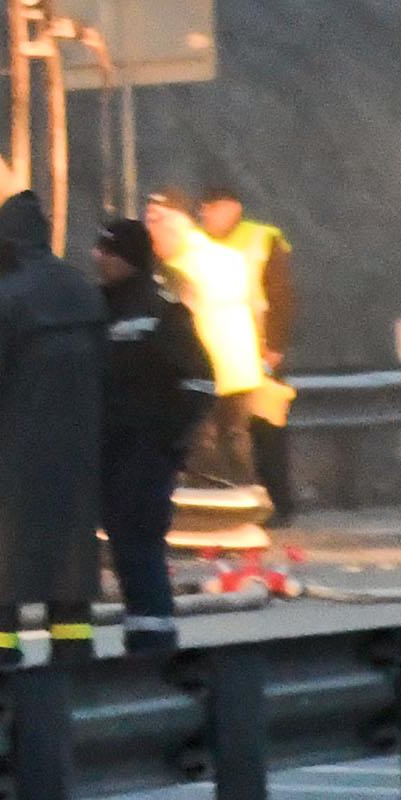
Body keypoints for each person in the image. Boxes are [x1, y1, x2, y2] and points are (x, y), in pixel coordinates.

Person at [0, 191, 104, 668]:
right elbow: (108, 374)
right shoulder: (83, 289)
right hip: (76, 454)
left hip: (8, 459)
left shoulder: (3, 297)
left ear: (6, 243)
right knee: (69, 562)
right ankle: (73, 651)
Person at [93, 217, 214, 658]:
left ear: (128, 257)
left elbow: (200, 381)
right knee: (124, 547)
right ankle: (141, 636)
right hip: (108, 452)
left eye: (106, 250)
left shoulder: (160, 311)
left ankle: (155, 643)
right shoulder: (99, 308)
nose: (97, 257)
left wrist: (164, 439)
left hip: (143, 455)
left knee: (140, 544)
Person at [144, 192, 267, 493]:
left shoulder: (179, 269)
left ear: (172, 227)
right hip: (241, 368)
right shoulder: (230, 258)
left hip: (204, 368)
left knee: (202, 440)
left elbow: (175, 322)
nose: (151, 238)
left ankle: (215, 506)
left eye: (154, 228)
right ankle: (248, 497)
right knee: (236, 436)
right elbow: (257, 306)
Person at [200, 183, 299, 522]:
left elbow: (281, 295)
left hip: (259, 350)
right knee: (228, 433)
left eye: (214, 206)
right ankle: (238, 502)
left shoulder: (262, 239)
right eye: (205, 207)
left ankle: (279, 501)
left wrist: (274, 346)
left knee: (266, 429)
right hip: (222, 351)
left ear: (234, 208)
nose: (207, 214)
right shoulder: (200, 245)